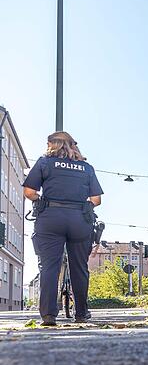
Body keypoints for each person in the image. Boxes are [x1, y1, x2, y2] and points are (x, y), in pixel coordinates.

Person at [22, 132, 103, 326]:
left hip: (51, 218)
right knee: (80, 267)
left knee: (49, 266)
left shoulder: (44, 162)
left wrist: (40, 201)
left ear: (52, 144)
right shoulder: (86, 167)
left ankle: (49, 315)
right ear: (73, 146)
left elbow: (29, 192)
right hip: (79, 220)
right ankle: (81, 313)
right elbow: (96, 200)